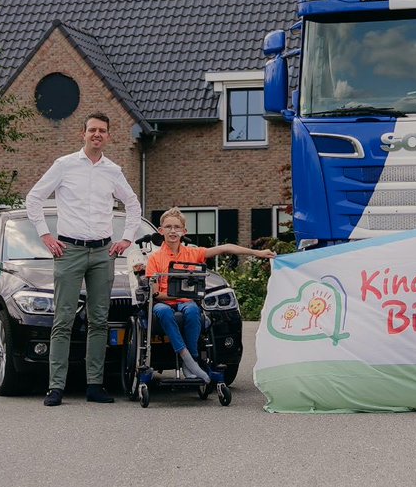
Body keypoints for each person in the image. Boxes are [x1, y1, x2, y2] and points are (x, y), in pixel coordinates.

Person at [26, 112, 142, 407]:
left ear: (108, 136)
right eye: (92, 130)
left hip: (103, 252)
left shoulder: (113, 171)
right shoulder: (64, 166)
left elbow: (132, 204)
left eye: (102, 131)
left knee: (99, 321)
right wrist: (45, 235)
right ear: (83, 134)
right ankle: (55, 387)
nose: (97, 135)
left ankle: (95, 385)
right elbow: (34, 198)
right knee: (63, 319)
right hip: (69, 250)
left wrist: (127, 238)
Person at [143, 207, 276, 383]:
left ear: (184, 231)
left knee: (191, 309)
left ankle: (192, 359)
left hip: (187, 303)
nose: (173, 231)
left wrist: (257, 253)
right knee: (163, 311)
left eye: (177, 227)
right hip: (164, 303)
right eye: (168, 227)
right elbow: (156, 293)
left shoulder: (193, 253)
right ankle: (189, 360)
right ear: (161, 231)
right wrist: (175, 295)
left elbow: (225, 248)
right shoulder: (154, 258)